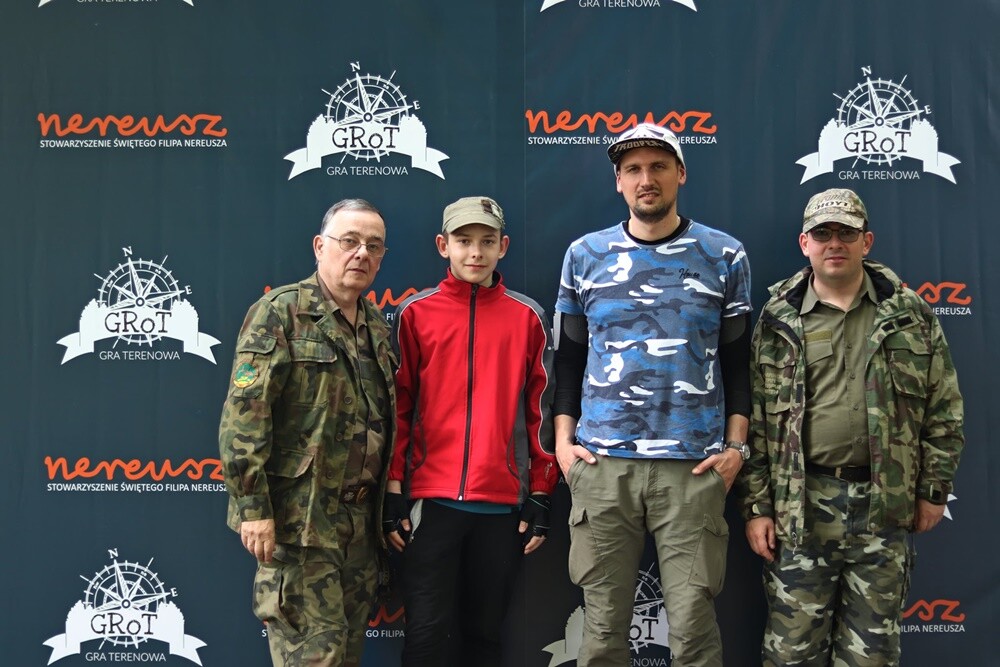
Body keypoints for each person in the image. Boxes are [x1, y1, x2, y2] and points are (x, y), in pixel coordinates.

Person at [553, 123, 753, 667]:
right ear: (618, 181)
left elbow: (738, 362)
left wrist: (736, 448)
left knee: (692, 630)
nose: (647, 179)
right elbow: (567, 360)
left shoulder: (724, 255)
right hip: (602, 467)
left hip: (693, 468)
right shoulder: (585, 255)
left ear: (680, 174)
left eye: (659, 166)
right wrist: (564, 446)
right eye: (633, 169)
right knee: (601, 633)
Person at [739, 188, 965, 666]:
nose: (835, 243)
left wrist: (933, 490)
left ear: (867, 241)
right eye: (823, 233)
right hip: (800, 510)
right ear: (805, 243)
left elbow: (943, 410)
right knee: (791, 655)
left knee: (872, 656)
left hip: (883, 509)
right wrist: (758, 507)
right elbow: (757, 421)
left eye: (846, 232)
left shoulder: (909, 314)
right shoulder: (777, 319)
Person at [219, 199, 396, 667]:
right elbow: (245, 416)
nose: (361, 253)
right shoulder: (281, 313)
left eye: (374, 246)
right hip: (301, 523)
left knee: (346, 656)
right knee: (314, 660)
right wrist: (253, 507)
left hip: (360, 527)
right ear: (320, 247)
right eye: (349, 241)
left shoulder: (377, 327)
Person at [382, 196, 557, 667]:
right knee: (425, 638)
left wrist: (542, 490)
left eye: (486, 241)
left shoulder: (528, 317)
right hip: (429, 504)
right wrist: (393, 488)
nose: (475, 252)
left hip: (501, 508)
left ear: (503, 246)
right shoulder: (415, 314)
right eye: (463, 241)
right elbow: (398, 409)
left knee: (484, 638)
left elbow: (541, 410)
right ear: (444, 245)